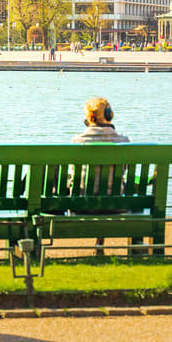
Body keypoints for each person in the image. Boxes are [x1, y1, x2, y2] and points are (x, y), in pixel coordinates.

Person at [71, 97, 130, 255]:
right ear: (109, 115)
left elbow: (73, 175)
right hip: (116, 205)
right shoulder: (123, 141)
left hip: (82, 205)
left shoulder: (77, 141)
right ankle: (103, 243)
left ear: (88, 118)